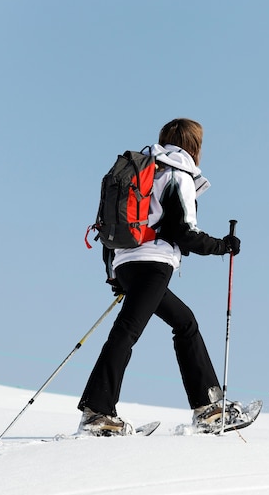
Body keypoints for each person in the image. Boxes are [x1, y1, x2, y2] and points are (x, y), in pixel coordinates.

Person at [78, 118, 242, 435]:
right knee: (126, 332)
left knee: (184, 322)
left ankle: (207, 406)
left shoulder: (143, 170)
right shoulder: (177, 174)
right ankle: (97, 412)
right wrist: (222, 246)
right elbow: (184, 232)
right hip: (153, 263)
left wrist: (116, 276)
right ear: (194, 146)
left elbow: (113, 226)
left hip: (126, 263)